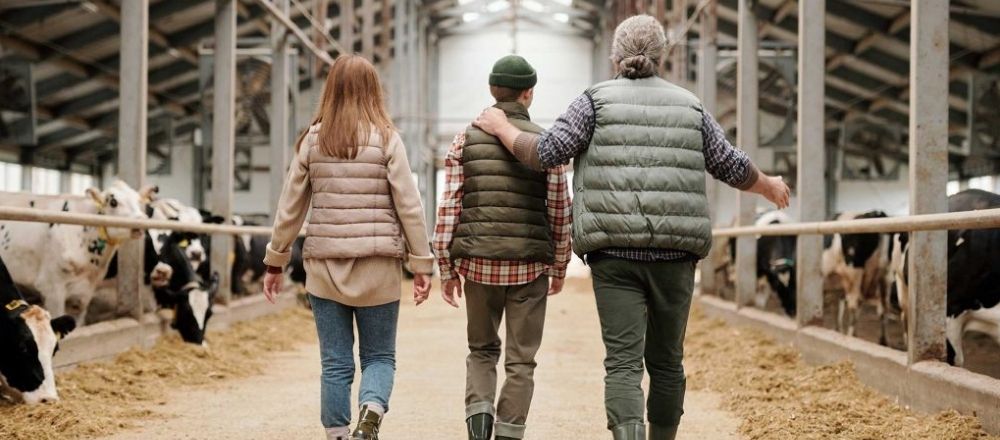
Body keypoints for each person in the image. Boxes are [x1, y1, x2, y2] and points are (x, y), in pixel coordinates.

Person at [472, 15, 791, 440]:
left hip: (614, 254)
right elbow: (729, 164)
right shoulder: (689, 104)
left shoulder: (593, 101)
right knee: (667, 361)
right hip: (676, 257)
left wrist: (501, 125)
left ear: (615, 55)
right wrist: (767, 185)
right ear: (661, 56)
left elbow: (547, 152)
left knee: (622, 362)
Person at [261, 54, 434, 440]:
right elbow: (410, 204)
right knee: (378, 357)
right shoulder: (388, 138)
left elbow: (290, 206)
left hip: (325, 269)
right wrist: (422, 263)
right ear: (374, 91)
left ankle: (337, 435)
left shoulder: (313, 139)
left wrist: (275, 262)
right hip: (378, 269)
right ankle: (370, 415)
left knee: (335, 363)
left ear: (331, 90)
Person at [433, 55, 573, 440]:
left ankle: (478, 433)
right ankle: (510, 434)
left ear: (493, 91)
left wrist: (446, 268)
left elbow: (449, 208)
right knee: (521, 361)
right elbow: (561, 211)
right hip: (529, 268)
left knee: (481, 351)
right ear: (528, 93)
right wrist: (559, 266)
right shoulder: (546, 145)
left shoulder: (465, 138)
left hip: (478, 265)